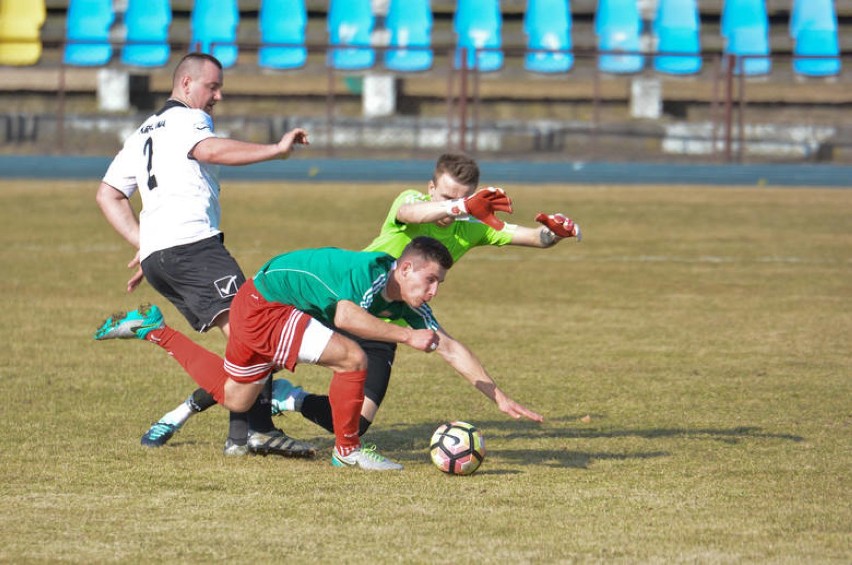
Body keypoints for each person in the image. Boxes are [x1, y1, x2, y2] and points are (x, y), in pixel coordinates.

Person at [140, 152, 581, 444]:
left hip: (386, 318)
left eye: (465, 199)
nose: (456, 205)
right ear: (432, 189)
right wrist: (457, 208)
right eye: (448, 196)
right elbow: (413, 213)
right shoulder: (414, 202)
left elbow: (530, 236)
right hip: (340, 300)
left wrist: (554, 234)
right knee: (254, 365)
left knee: (351, 422)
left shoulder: (473, 225)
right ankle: (214, 414)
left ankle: (287, 400)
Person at [95, 237, 544, 470]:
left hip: (264, 305)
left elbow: (449, 347)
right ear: (404, 268)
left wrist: (497, 395)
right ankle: (347, 451)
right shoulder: (364, 274)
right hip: (270, 301)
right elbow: (347, 316)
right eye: (429, 280)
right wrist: (405, 338)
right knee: (352, 356)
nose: (434, 290)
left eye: (440, 283)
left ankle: (155, 331)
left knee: (236, 398)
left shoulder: (407, 300)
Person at [95, 51, 313, 458]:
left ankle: (241, 434)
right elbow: (211, 150)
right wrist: (276, 150)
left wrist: (144, 245)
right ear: (186, 84)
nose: (218, 96)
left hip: (163, 257)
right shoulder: (187, 119)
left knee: (247, 342)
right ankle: (255, 431)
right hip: (193, 247)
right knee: (257, 337)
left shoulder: (142, 131)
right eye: (213, 87)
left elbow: (107, 194)